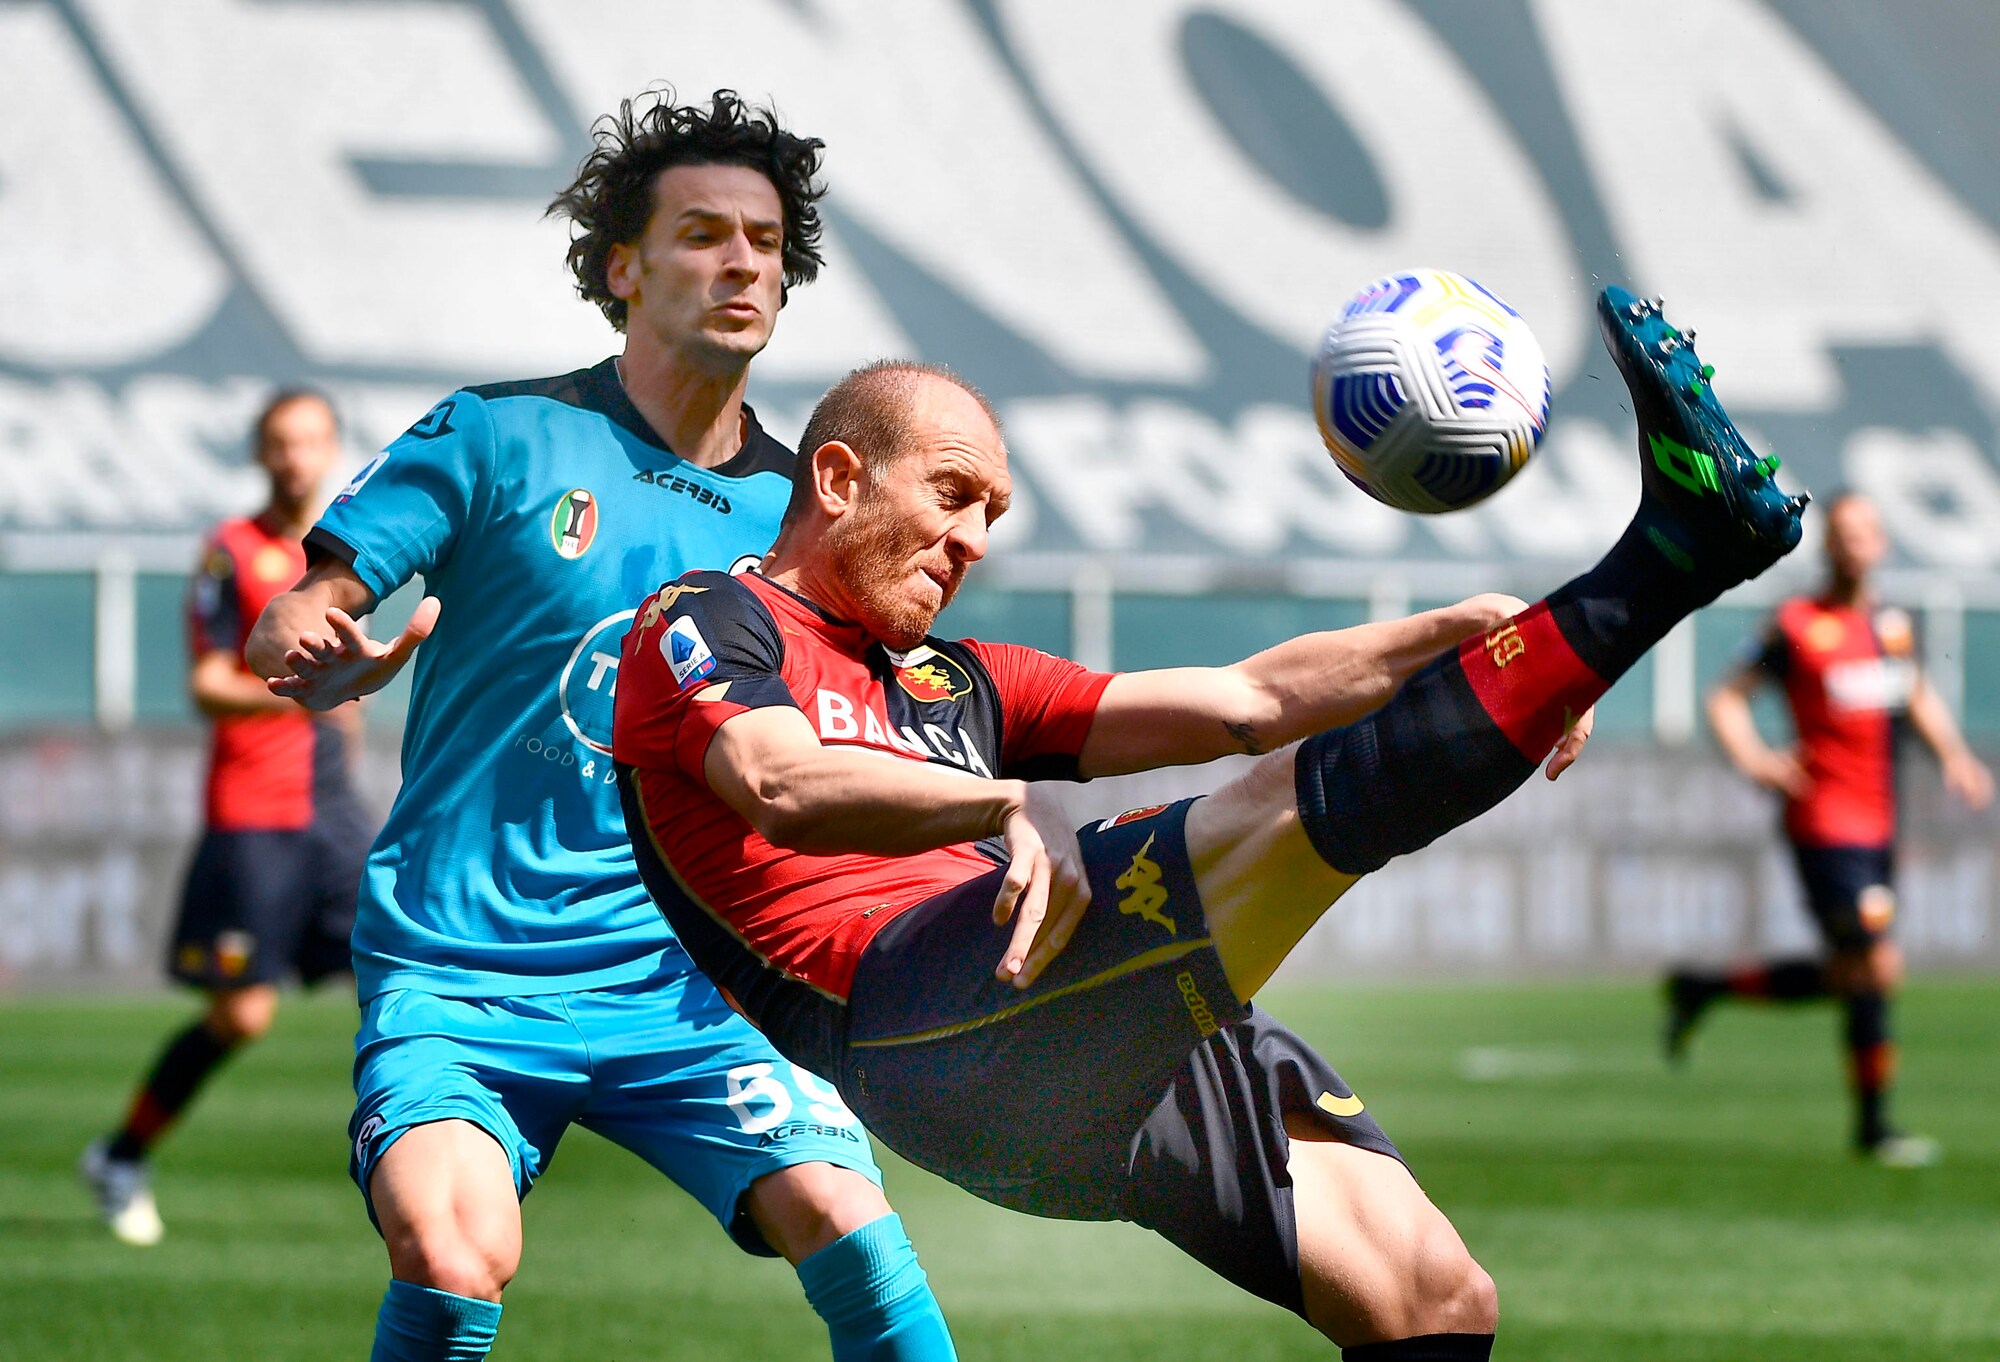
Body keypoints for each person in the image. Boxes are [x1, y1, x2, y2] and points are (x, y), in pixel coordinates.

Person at [613, 288, 1807, 1359]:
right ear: (837, 480)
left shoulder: (956, 680)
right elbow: (777, 780)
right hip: (925, 1020)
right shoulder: (707, 620)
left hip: (1064, 1017)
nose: (973, 538)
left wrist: (1445, 635)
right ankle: (1672, 553)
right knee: (1279, 811)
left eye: (992, 513)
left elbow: (1246, 701)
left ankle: (1649, 569)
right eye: (952, 495)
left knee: (1430, 1297)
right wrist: (1000, 800)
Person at [244, 91, 955, 1362]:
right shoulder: (496, 436)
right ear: (622, 266)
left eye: (764, 242)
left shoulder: (807, 523)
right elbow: (302, 606)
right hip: (463, 970)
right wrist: (305, 641)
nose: (742, 263)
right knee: (453, 1252)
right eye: (702, 234)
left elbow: (867, 734)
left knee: (853, 1228)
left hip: (694, 981)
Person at [83, 388, 370, 1247]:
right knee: (242, 1014)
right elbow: (208, 683)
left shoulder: (348, 556)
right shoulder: (231, 552)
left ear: (330, 449)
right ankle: (121, 1155)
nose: (295, 457)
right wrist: (302, 693)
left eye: (309, 441)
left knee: (399, 969)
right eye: (279, 442)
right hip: (254, 812)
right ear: (259, 453)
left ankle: (423, 1170)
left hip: (333, 813)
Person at [1666, 491, 1992, 1165]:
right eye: (1843, 532)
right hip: (1824, 824)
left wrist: (1955, 756)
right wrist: (1757, 759)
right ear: (1827, 546)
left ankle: (1705, 989)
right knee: (1875, 964)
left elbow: (1915, 693)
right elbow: (1726, 698)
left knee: (1854, 973)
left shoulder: (1891, 628)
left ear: (1882, 544)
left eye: (1865, 531)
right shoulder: (1796, 625)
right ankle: (1873, 1130)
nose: (1854, 543)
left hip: (1879, 827)